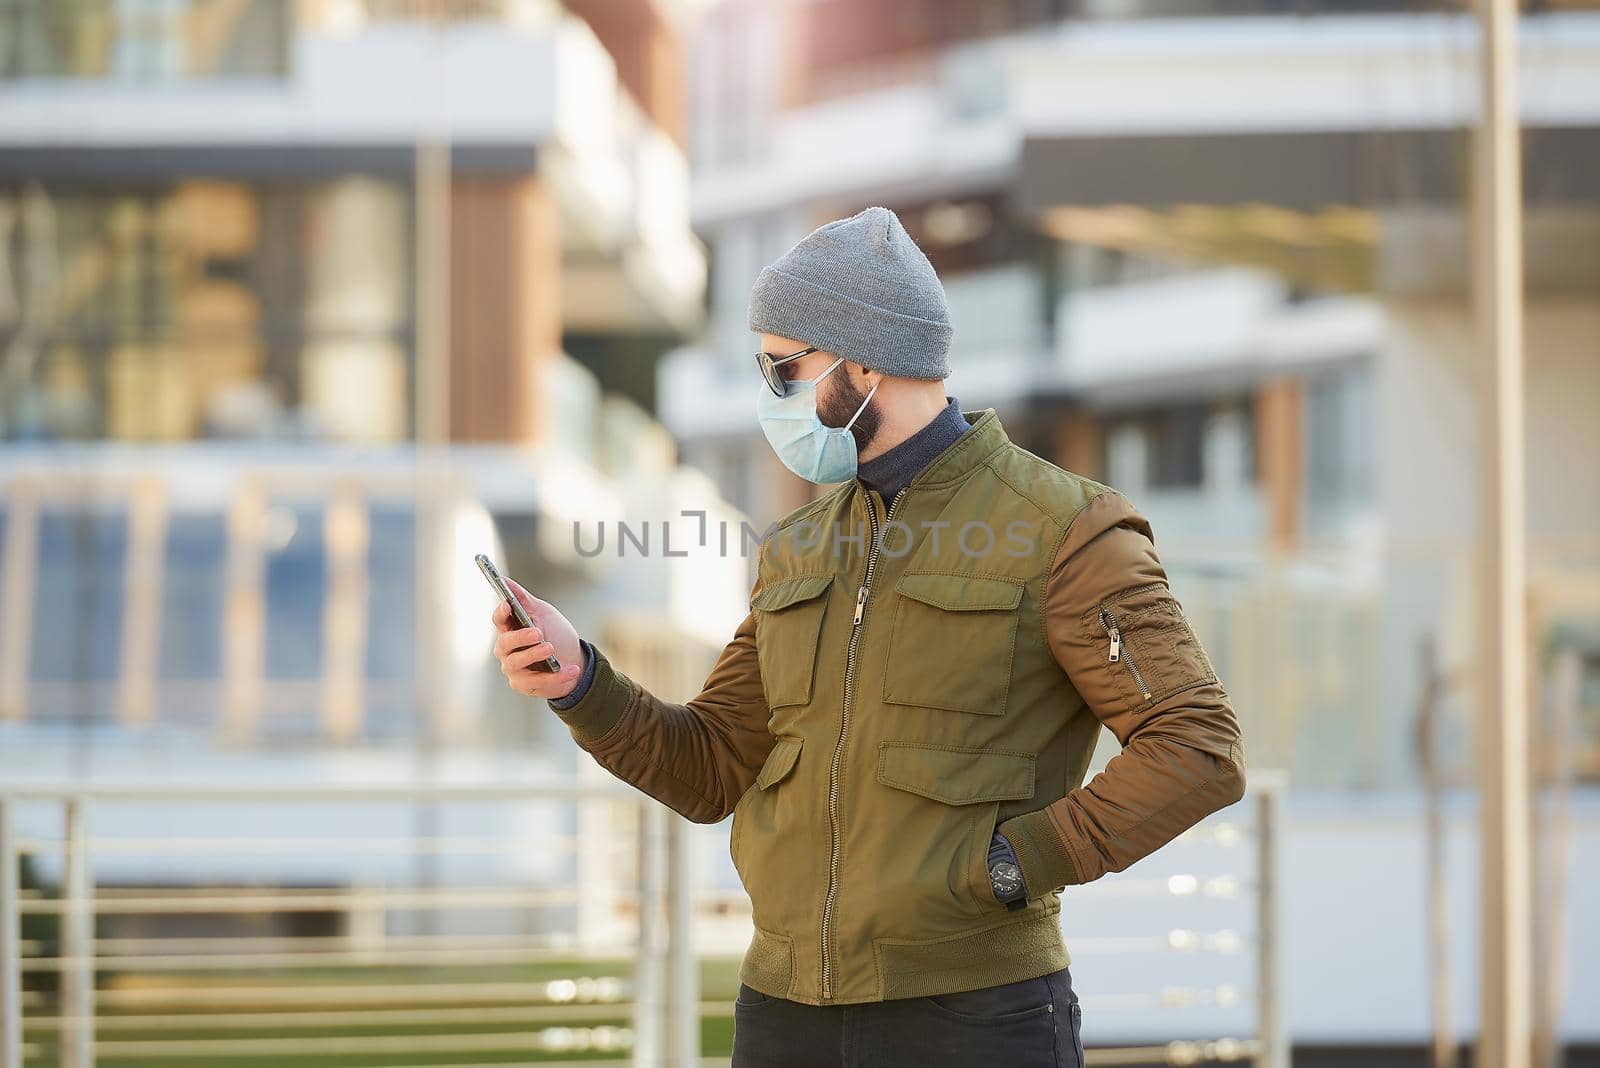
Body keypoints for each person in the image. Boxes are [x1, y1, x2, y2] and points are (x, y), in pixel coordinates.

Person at [491, 206, 1247, 1068]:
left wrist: (1015, 862)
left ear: (863, 361)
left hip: (973, 1019)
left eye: (784, 370)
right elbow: (709, 768)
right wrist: (581, 683)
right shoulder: (798, 548)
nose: (771, 396)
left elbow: (1197, 747)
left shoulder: (1067, 529)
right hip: (782, 1016)